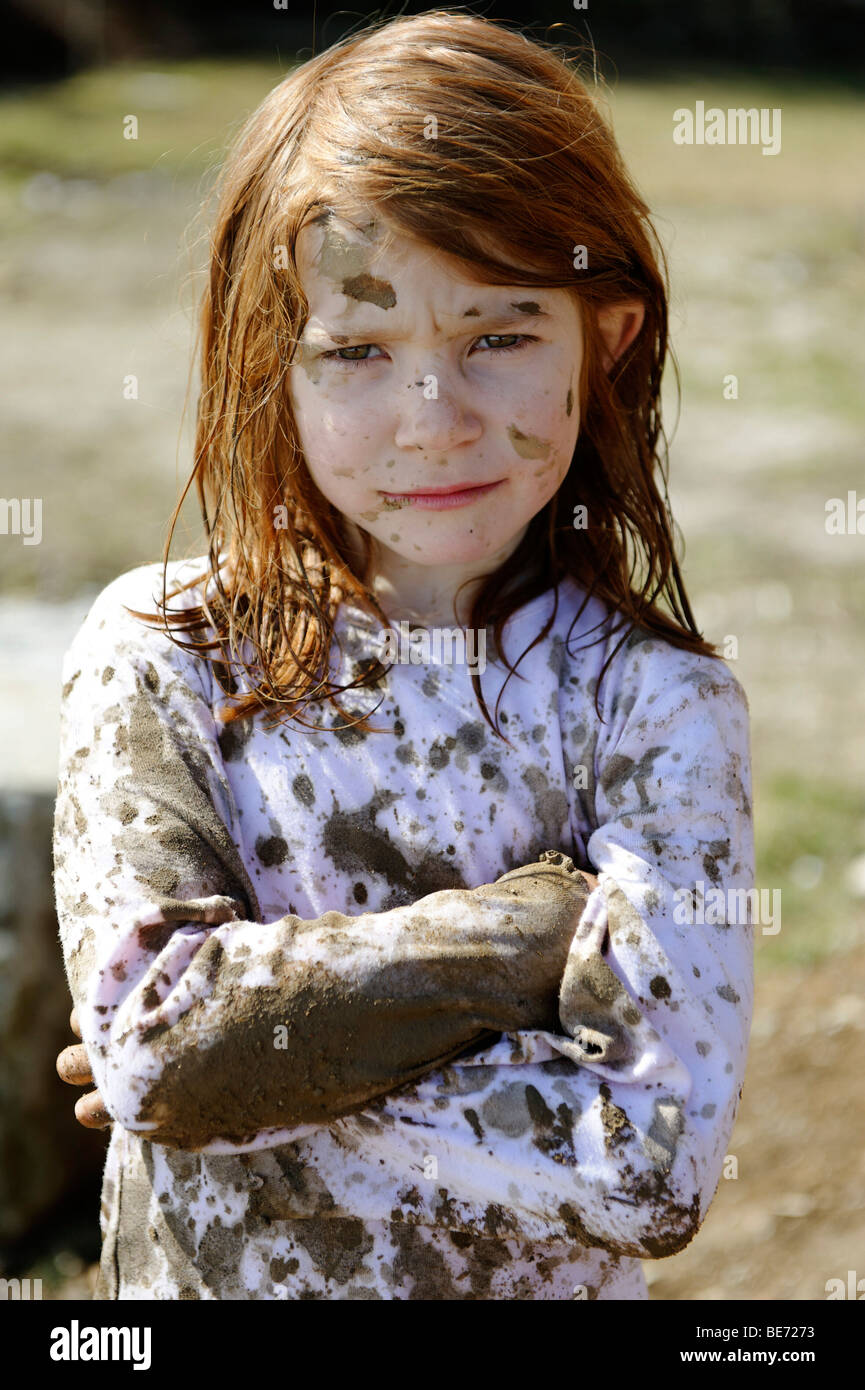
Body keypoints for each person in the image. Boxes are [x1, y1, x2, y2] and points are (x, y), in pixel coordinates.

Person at [53, 9, 754, 1300]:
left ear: (603, 340)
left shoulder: (651, 704)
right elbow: (161, 1056)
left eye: (497, 335)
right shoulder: (161, 661)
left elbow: (648, 1165)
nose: (434, 422)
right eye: (360, 353)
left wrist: (246, 1056)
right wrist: (516, 945)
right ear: (277, 366)